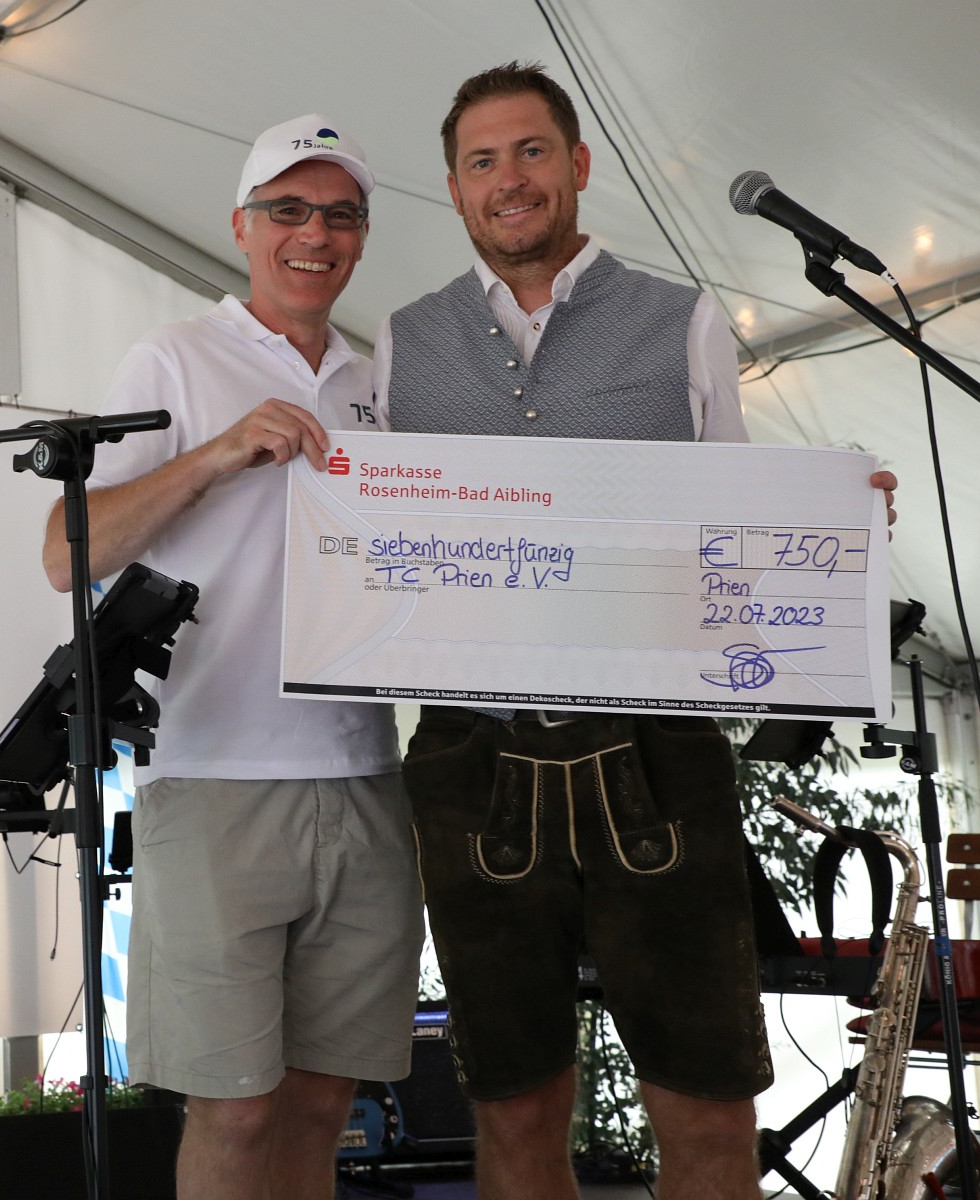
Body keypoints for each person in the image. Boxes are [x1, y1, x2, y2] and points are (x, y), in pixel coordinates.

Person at [376, 63, 898, 1200]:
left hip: (657, 750)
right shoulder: (403, 340)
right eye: (481, 161)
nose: (508, 179)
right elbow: (379, 547)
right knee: (513, 1116)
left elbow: (738, 522)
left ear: (576, 163)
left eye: (530, 151)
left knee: (708, 1116)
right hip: (473, 756)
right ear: (455, 190)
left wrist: (833, 531)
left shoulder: (684, 317)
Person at [41, 116, 422, 1200]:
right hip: (212, 775)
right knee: (235, 1107)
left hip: (365, 772)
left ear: (361, 238)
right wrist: (216, 454)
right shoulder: (171, 357)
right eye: (288, 210)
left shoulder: (383, 382)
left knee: (323, 1101)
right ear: (242, 226)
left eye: (341, 216)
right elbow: (67, 551)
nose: (315, 234)